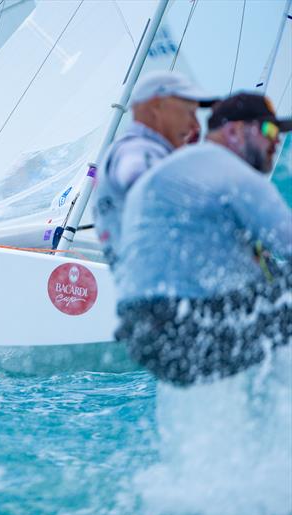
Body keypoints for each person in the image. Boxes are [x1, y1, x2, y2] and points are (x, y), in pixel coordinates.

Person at [115, 92, 292, 386]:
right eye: (267, 129)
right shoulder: (230, 172)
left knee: (268, 276)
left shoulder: (171, 171)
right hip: (190, 329)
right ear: (234, 131)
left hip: (143, 335)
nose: (276, 141)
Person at [94, 71, 217, 270]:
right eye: (190, 112)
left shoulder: (128, 148)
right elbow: (136, 173)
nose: (195, 124)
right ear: (157, 107)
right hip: (160, 289)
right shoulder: (138, 149)